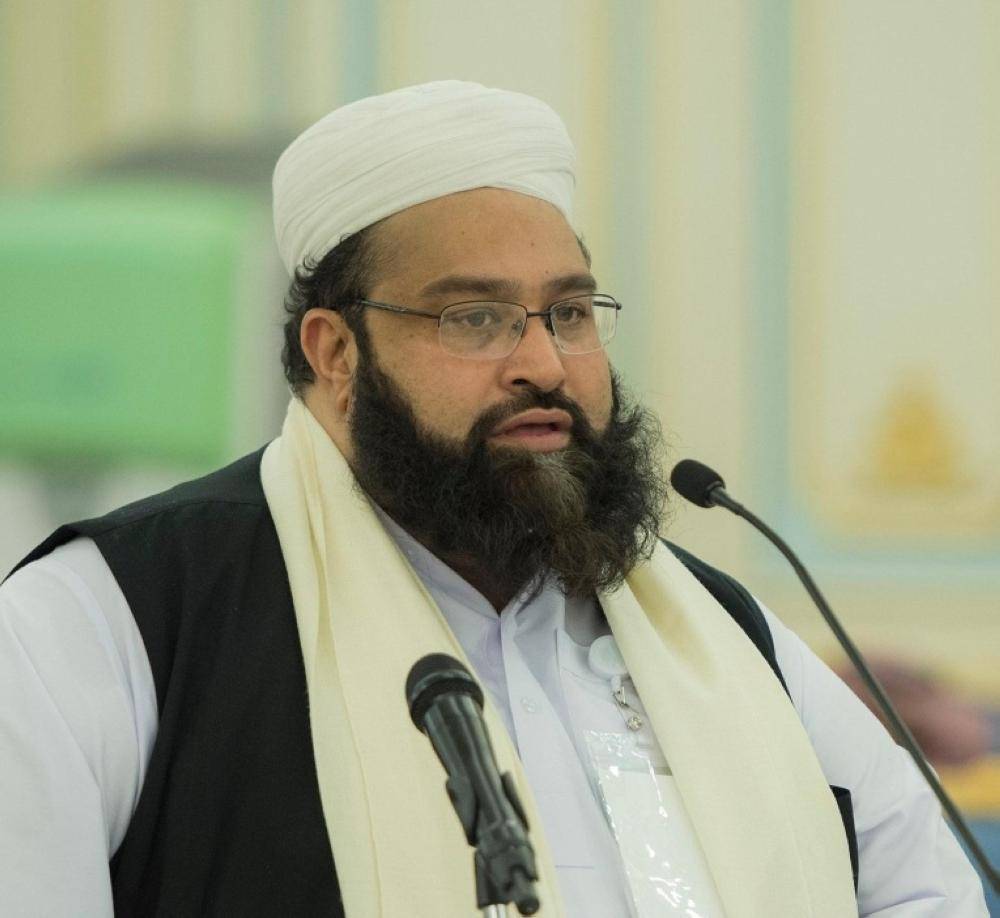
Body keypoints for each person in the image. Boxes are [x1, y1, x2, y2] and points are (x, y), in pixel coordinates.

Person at [0, 81, 987, 917]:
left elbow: (924, 891)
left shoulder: (721, 637)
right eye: (476, 317)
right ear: (334, 353)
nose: (544, 364)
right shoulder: (112, 622)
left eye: (569, 312)